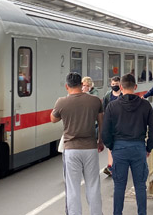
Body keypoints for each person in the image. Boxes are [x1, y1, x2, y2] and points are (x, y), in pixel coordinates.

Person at [102, 74, 153, 215]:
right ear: (135, 87)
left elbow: (105, 131)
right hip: (138, 148)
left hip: (119, 148)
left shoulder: (112, 106)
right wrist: (148, 147)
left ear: (121, 87)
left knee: (119, 186)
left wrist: (111, 146)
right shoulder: (145, 105)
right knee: (140, 186)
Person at [50, 72, 105, 215]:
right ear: (82, 85)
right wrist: (100, 141)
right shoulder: (95, 101)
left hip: (71, 150)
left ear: (66, 86)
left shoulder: (61, 101)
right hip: (91, 148)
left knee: (72, 188)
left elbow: (53, 119)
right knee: (93, 185)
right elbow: (101, 123)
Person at [101, 76, 122, 176]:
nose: (114, 86)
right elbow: (104, 108)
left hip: (121, 123)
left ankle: (117, 164)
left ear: (120, 84)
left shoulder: (123, 95)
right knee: (110, 145)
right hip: (110, 123)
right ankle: (111, 165)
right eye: (113, 84)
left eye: (116, 84)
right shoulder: (108, 95)